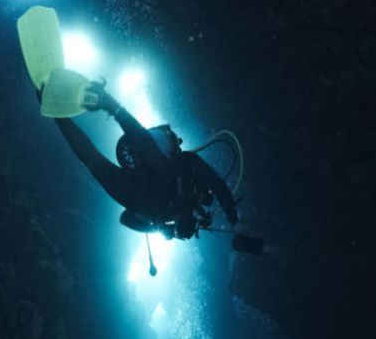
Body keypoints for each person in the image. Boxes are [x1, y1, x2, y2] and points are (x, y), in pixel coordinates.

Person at [53, 80, 250, 245]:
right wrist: (234, 221)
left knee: (93, 162)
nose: (188, 233)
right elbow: (217, 184)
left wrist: (161, 228)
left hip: (142, 193)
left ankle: (61, 116)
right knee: (105, 159)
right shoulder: (186, 171)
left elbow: (126, 219)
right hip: (152, 178)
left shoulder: (163, 216)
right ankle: (103, 105)